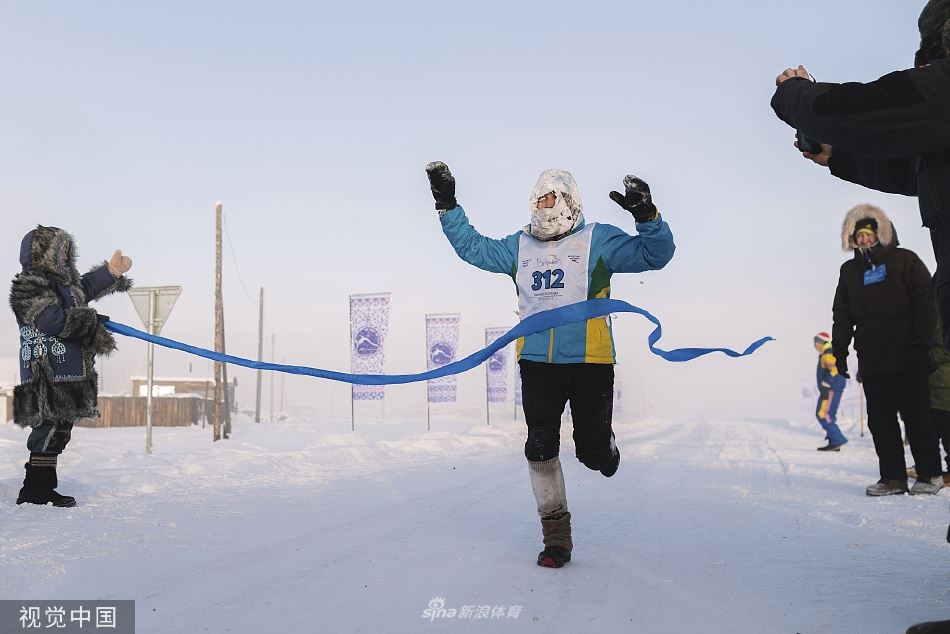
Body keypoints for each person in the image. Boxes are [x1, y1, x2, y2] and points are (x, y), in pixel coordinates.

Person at [425, 162, 674, 568]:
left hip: (591, 362)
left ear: (570, 201)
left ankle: (603, 449)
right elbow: (473, 247)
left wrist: (647, 216)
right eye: (539, 199)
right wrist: (447, 204)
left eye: (551, 198)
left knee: (592, 454)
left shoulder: (598, 240)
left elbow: (656, 255)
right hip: (537, 363)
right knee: (539, 446)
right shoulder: (520, 246)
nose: (545, 205)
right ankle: (556, 536)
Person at [770, 0, 950, 353]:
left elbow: (864, 108)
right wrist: (841, 158)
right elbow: (917, 170)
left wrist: (794, 95)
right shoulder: (851, 273)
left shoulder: (904, 265)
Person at [10, 225, 133, 507]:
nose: (65, 255)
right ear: (43, 252)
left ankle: (43, 488)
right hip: (46, 371)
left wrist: (111, 272)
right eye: (59, 249)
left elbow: (85, 287)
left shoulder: (66, 285)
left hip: (69, 370)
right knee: (48, 428)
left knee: (60, 430)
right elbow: (50, 321)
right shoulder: (30, 284)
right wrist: (90, 320)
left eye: (67, 249)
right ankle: (34, 490)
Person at [831, 205, 943, 496]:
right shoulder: (849, 271)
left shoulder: (905, 261)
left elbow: (925, 305)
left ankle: (930, 474)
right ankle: (892, 478)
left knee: (917, 418)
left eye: (869, 235)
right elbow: (842, 314)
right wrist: (839, 351)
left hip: (909, 356)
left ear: (882, 235)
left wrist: (922, 346)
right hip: (872, 358)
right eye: (859, 237)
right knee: (881, 422)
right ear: (852, 241)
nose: (865, 241)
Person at [813, 331, 848, 451]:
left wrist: (826, 383)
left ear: (820, 342)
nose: (814, 345)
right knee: (829, 414)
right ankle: (834, 442)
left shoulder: (828, 352)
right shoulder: (827, 352)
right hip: (831, 388)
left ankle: (837, 439)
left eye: (815, 342)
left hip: (830, 388)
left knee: (822, 414)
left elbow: (834, 370)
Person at [928, 320, 950, 481]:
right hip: (935, 384)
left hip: (944, 385)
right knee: (931, 431)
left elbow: (945, 351)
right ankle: (929, 466)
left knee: (945, 429)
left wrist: (922, 352)